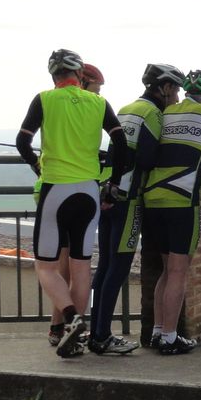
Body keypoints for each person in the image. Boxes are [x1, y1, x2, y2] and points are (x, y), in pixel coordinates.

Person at [16, 49, 127, 358]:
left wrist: (38, 166)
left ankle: (69, 318)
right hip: (89, 192)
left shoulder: (45, 99)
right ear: (80, 76)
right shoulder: (99, 103)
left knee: (46, 267)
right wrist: (113, 185)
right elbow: (121, 143)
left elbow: (22, 142)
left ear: (53, 77)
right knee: (81, 268)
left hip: (56, 190)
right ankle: (76, 337)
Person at [142, 69, 201, 355]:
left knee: (165, 271)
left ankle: (158, 331)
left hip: (153, 198)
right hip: (182, 199)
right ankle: (171, 338)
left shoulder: (168, 112)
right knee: (178, 272)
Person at [89, 63, 185, 355]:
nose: (178, 98)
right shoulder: (154, 114)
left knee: (104, 265)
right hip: (129, 197)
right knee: (118, 268)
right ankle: (102, 336)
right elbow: (146, 157)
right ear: (165, 88)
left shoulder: (128, 108)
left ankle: (96, 331)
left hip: (108, 190)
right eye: (177, 90)